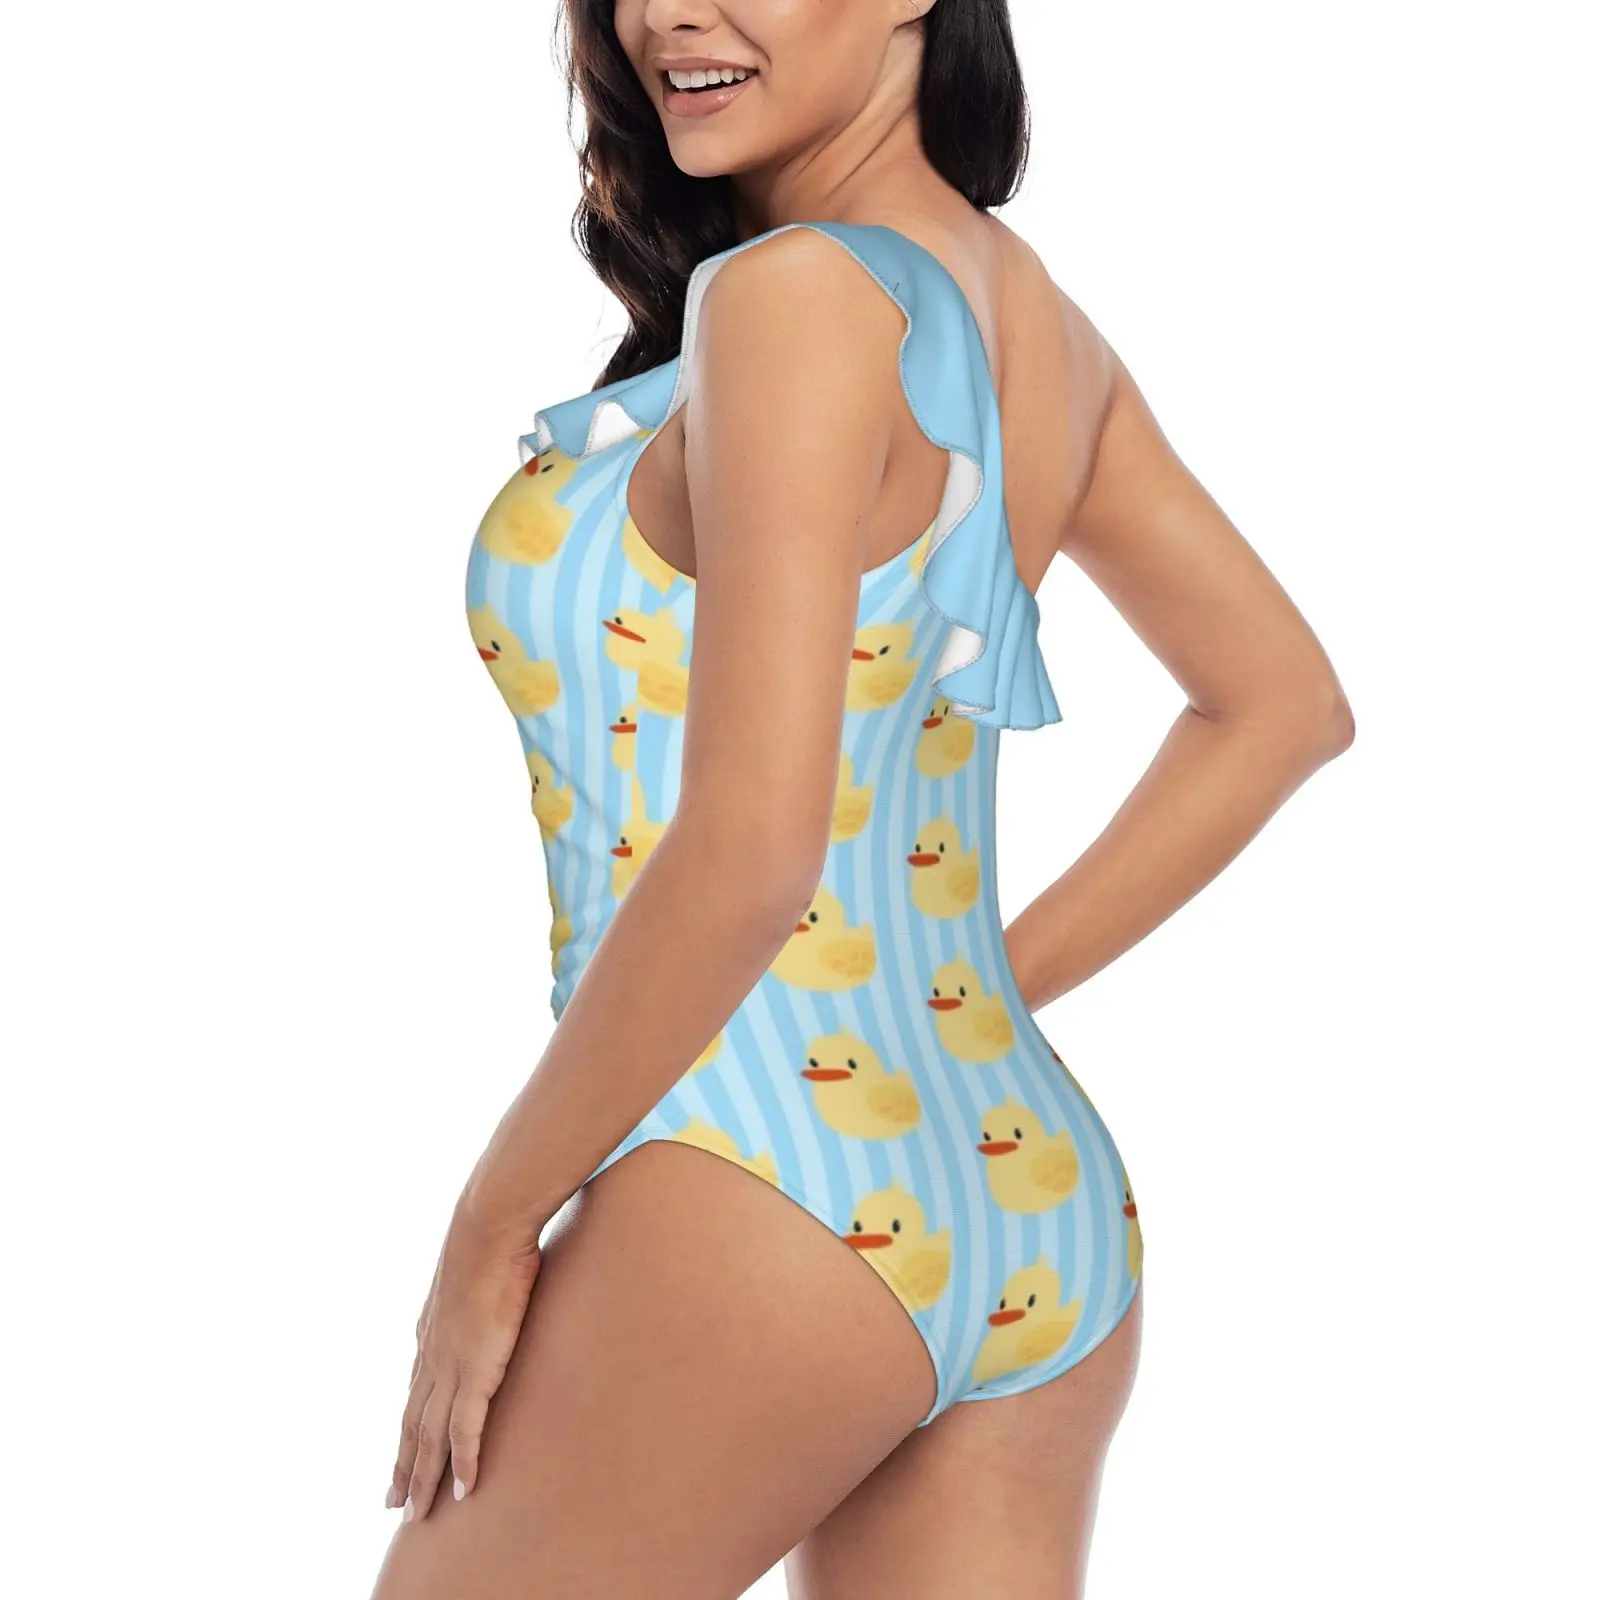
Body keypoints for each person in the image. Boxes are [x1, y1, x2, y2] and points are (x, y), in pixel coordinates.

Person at [370, 2, 1354, 1596]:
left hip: (768, 1184)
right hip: (1027, 1188)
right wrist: (960, 1005)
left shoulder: (795, 299)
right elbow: (1282, 706)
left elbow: (754, 852)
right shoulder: (1037, 322)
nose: (664, 13)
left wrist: (490, 1226)